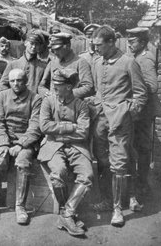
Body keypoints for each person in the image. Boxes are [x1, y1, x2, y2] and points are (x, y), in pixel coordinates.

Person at [90, 25, 147, 227]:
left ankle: (117, 209)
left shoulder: (128, 62)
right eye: (94, 45)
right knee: (102, 160)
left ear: (111, 42)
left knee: (120, 162)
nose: (96, 49)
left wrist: (127, 112)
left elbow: (140, 94)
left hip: (121, 121)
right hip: (101, 120)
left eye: (100, 45)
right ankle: (107, 199)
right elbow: (98, 90)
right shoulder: (97, 62)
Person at [38, 69, 93, 236]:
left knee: (87, 175)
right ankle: (67, 214)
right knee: (58, 173)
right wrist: (70, 127)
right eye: (54, 84)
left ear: (69, 87)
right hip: (53, 146)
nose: (54, 87)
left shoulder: (81, 105)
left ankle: (67, 214)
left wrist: (59, 132)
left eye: (58, 85)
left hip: (77, 147)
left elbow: (83, 132)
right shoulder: (48, 102)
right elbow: (44, 126)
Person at [0, 69, 42, 225]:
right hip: (6, 139)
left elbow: (35, 126)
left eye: (19, 80)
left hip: (26, 142)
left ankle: (20, 206)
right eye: (12, 81)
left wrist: (21, 144)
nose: (16, 84)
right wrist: (3, 143)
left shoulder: (35, 98)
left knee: (23, 163)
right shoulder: (2, 96)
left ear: (26, 81)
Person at [126, 27, 161, 206]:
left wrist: (134, 95)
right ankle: (141, 182)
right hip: (141, 110)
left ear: (141, 41)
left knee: (141, 147)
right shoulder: (140, 55)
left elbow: (152, 86)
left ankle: (142, 183)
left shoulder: (146, 58)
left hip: (143, 111)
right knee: (140, 147)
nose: (129, 44)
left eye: (132, 41)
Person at [38, 32, 93, 99]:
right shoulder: (52, 63)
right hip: (53, 105)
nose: (55, 52)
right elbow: (41, 86)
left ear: (67, 46)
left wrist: (67, 94)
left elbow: (88, 87)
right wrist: (45, 93)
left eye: (57, 49)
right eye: (53, 50)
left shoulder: (80, 62)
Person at [0, 29, 47, 94]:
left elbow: (45, 87)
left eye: (37, 44)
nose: (34, 47)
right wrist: (12, 98)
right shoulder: (13, 65)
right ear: (25, 43)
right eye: (32, 43)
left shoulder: (43, 67)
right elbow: (3, 85)